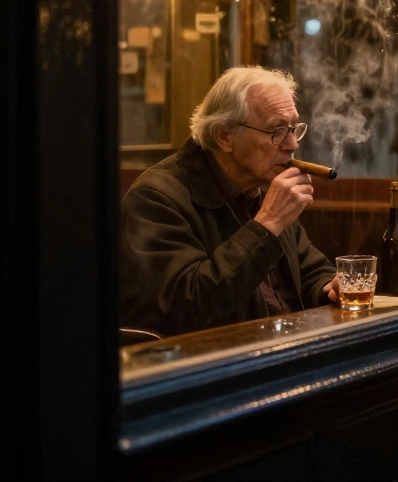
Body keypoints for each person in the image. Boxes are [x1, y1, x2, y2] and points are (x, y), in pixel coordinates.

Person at [120, 66, 338, 338]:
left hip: (282, 353)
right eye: (277, 130)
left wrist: (328, 286)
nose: (292, 144)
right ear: (225, 136)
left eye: (293, 128)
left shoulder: (259, 190)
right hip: (214, 367)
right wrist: (266, 225)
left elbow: (309, 272)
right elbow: (188, 305)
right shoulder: (156, 198)